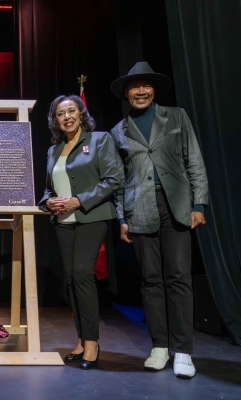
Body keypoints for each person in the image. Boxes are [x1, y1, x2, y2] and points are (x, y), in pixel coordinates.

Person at [110, 61, 209, 379]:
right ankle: (160, 347)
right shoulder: (118, 130)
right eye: (134, 87)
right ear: (127, 93)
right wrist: (121, 218)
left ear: (153, 89)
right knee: (151, 281)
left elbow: (194, 160)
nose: (141, 91)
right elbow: (118, 179)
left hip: (176, 207)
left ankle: (183, 352)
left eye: (146, 86)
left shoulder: (177, 116)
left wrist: (199, 204)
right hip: (140, 210)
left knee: (179, 278)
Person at [38, 95, 123, 370]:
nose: (67, 117)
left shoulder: (100, 140)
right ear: (56, 120)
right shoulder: (54, 150)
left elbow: (114, 179)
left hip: (91, 218)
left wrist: (79, 200)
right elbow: (49, 188)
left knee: (82, 274)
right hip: (63, 222)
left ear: (81, 113)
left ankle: (92, 343)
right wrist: (47, 202)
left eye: (71, 111)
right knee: (71, 281)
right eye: (61, 114)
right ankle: (80, 339)